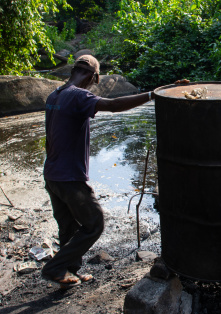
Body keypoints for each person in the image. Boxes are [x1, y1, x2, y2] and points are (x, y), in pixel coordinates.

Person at [42, 55, 156, 288]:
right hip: (70, 177)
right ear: (93, 77)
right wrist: (152, 95)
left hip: (51, 173)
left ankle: (67, 272)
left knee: (68, 227)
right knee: (94, 224)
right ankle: (54, 267)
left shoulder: (54, 95)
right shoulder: (79, 96)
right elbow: (113, 106)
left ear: (73, 71)